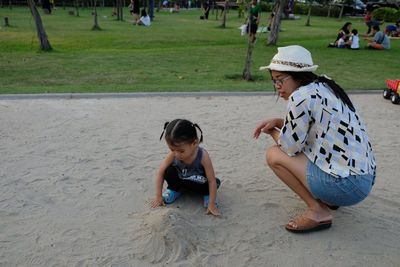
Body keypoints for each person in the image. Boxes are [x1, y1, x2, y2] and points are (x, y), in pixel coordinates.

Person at [255, 45, 376, 233]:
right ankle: (330, 199)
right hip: (364, 178)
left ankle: (317, 210)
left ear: (297, 75)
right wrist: (280, 122)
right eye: (273, 81)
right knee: (298, 152)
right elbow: (315, 130)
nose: (277, 86)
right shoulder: (325, 85)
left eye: (280, 80)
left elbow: (289, 147)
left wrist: (272, 131)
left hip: (347, 185)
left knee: (273, 155)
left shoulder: (300, 96)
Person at [150, 119, 221, 216]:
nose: (177, 154)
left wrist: (212, 204)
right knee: (168, 171)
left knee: (213, 183)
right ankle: (174, 190)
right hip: (182, 180)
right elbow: (160, 172)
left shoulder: (203, 156)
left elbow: (211, 180)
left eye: (181, 151)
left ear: (194, 143)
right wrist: (158, 196)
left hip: (199, 182)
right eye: (172, 149)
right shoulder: (173, 154)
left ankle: (208, 196)